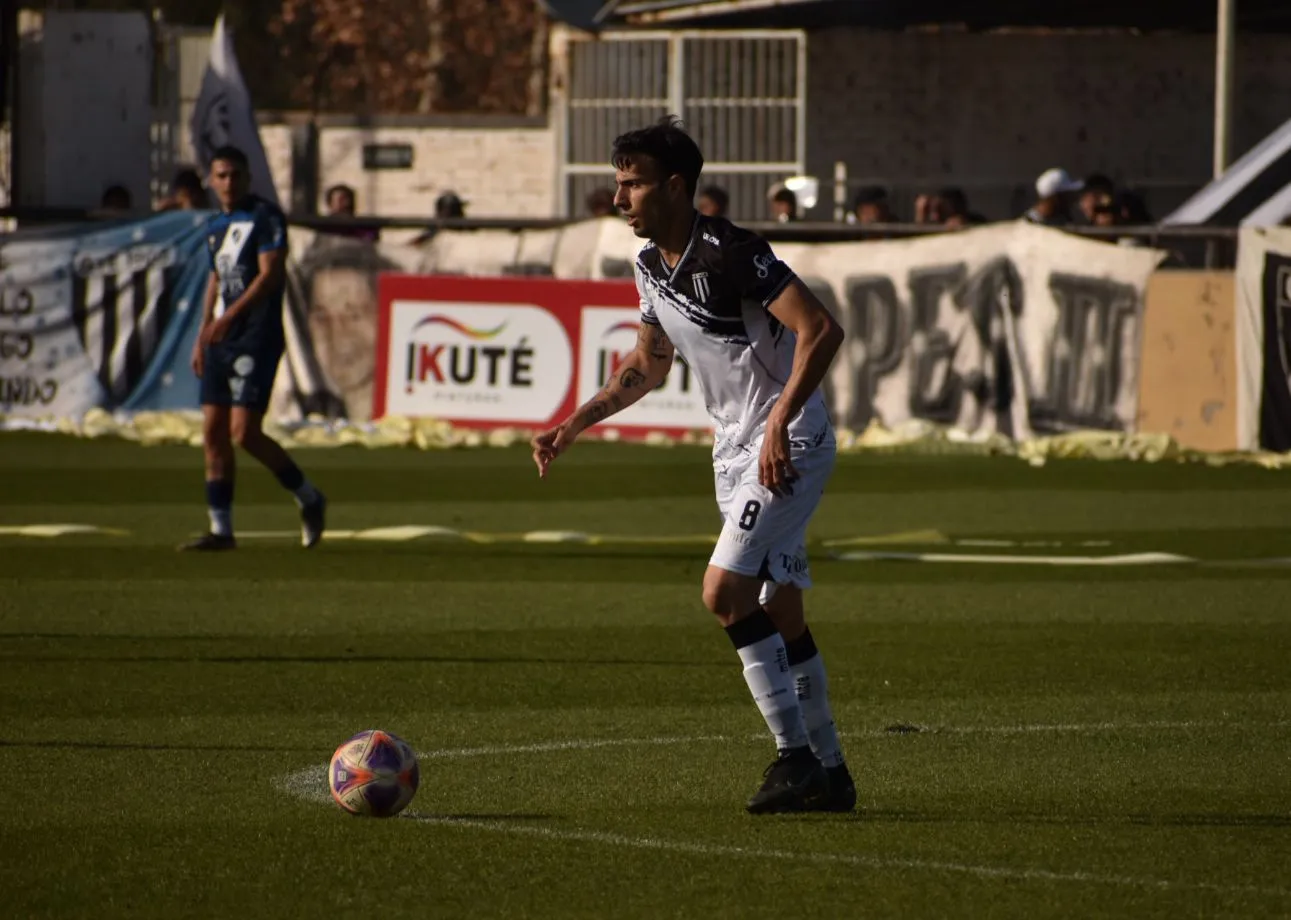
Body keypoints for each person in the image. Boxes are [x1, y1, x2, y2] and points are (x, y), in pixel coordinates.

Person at [530, 116, 854, 815]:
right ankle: (831, 772)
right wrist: (574, 424)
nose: (620, 200)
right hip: (734, 449)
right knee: (779, 608)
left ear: (675, 187)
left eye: (633, 184)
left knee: (721, 595)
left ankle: (793, 760)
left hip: (786, 445)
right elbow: (648, 363)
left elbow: (820, 329)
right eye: (617, 184)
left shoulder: (732, 251)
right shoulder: (648, 267)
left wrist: (777, 421)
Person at [181, 145, 326, 552]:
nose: (228, 183)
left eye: (234, 175)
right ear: (211, 180)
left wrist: (229, 319)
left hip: (255, 337)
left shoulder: (266, 216)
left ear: (247, 178)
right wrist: (203, 331)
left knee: (244, 432)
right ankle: (221, 530)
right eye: (220, 175)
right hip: (219, 341)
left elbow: (268, 275)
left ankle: (309, 496)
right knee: (213, 432)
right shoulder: (215, 225)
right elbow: (216, 278)